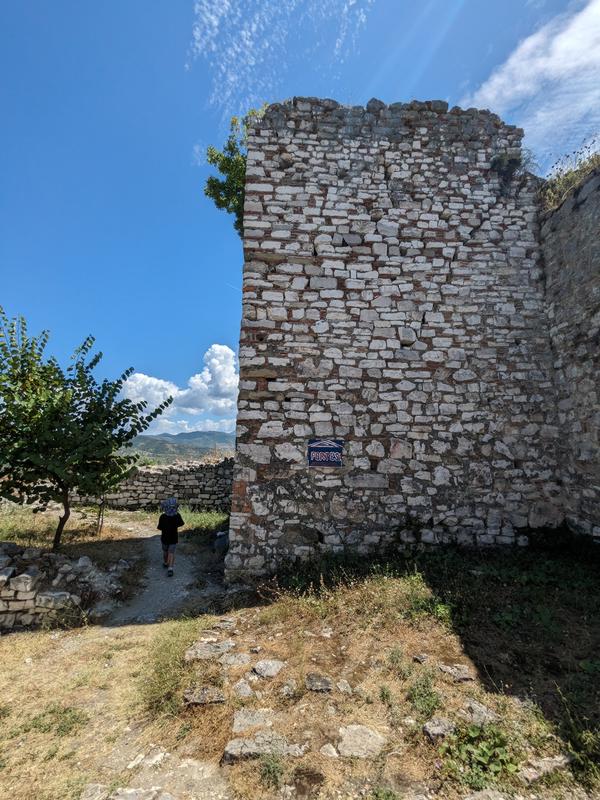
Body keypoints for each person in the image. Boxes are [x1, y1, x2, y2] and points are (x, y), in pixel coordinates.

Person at [157, 498, 184, 577]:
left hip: (164, 538)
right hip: (174, 538)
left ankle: (165, 563)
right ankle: (170, 568)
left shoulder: (162, 517)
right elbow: (181, 524)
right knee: (171, 553)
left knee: (165, 551)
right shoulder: (177, 516)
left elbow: (160, 527)